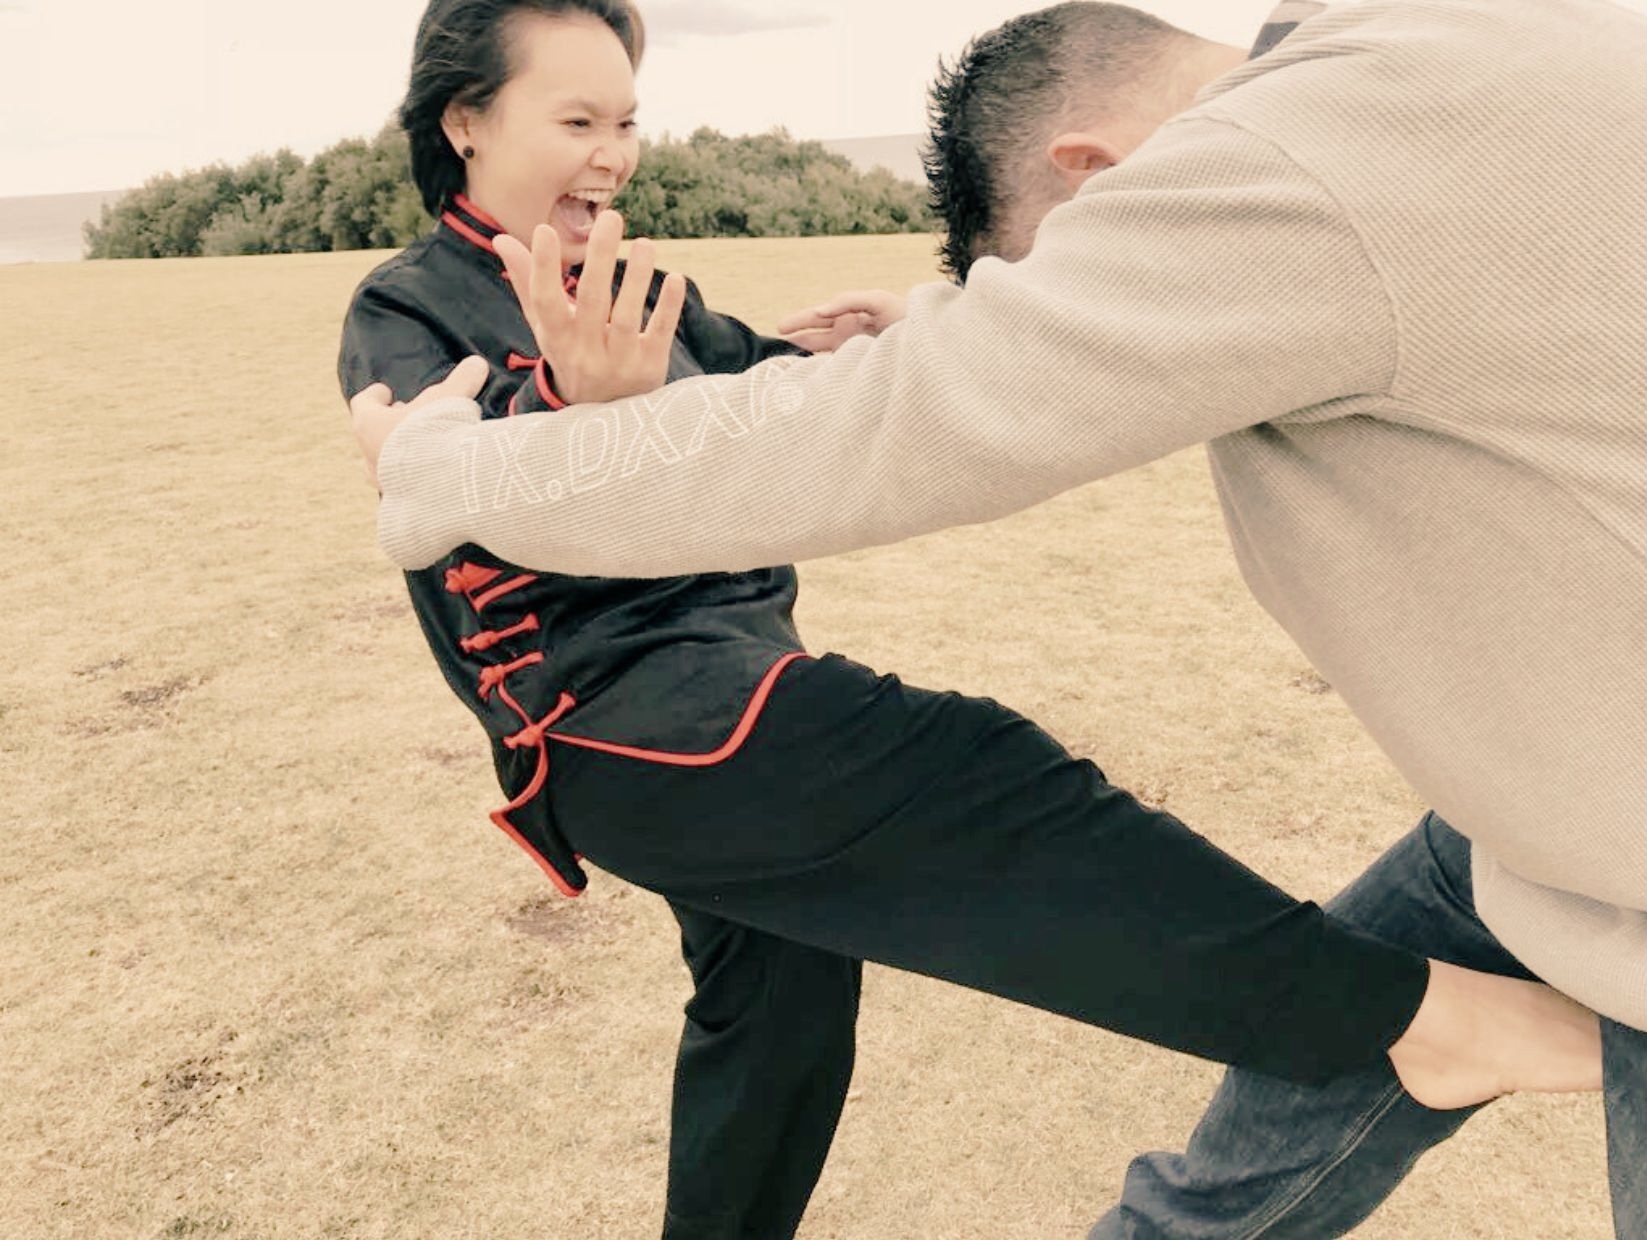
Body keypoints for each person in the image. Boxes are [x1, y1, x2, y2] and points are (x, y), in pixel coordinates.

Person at [350, 0, 1646, 1234]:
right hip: (627, 710)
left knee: (783, 1006)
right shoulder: (410, 303)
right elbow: (1135, 326)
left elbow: (862, 404)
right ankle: (1418, 1023)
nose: (614, 155)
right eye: (581, 120)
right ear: (467, 121)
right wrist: (555, 427)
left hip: (1604, 854)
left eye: (624, 121)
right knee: (963, 792)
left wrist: (484, 450)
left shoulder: (1293, 166)